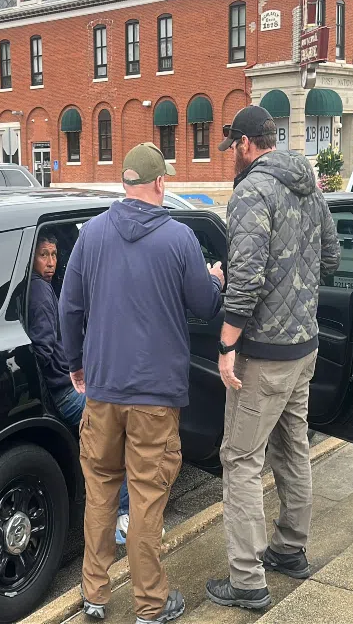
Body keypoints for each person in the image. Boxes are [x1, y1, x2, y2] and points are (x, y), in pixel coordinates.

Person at [60, 142, 224, 624]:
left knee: (100, 492)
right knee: (147, 500)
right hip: (155, 397)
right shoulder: (179, 239)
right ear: (159, 183)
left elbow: (69, 308)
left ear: (125, 184)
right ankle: (151, 605)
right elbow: (204, 305)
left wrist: (76, 365)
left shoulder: (91, 234)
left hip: (103, 391)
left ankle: (94, 594)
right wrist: (215, 279)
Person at [206, 106, 340, 611]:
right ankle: (290, 549)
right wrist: (298, 288)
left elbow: (245, 279)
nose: (231, 158)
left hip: (263, 355)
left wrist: (227, 344)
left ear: (245, 144)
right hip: (305, 347)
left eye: (233, 149)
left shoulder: (251, 193)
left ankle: (246, 579)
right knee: (292, 447)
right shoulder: (310, 186)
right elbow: (331, 257)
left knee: (240, 459)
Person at [26, 232, 133, 540]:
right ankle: (123, 517)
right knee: (125, 432)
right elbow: (43, 348)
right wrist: (66, 373)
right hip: (65, 391)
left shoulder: (41, 287)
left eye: (54, 255)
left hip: (66, 384)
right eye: (43, 255)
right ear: (32, 259)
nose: (50, 262)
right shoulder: (39, 291)